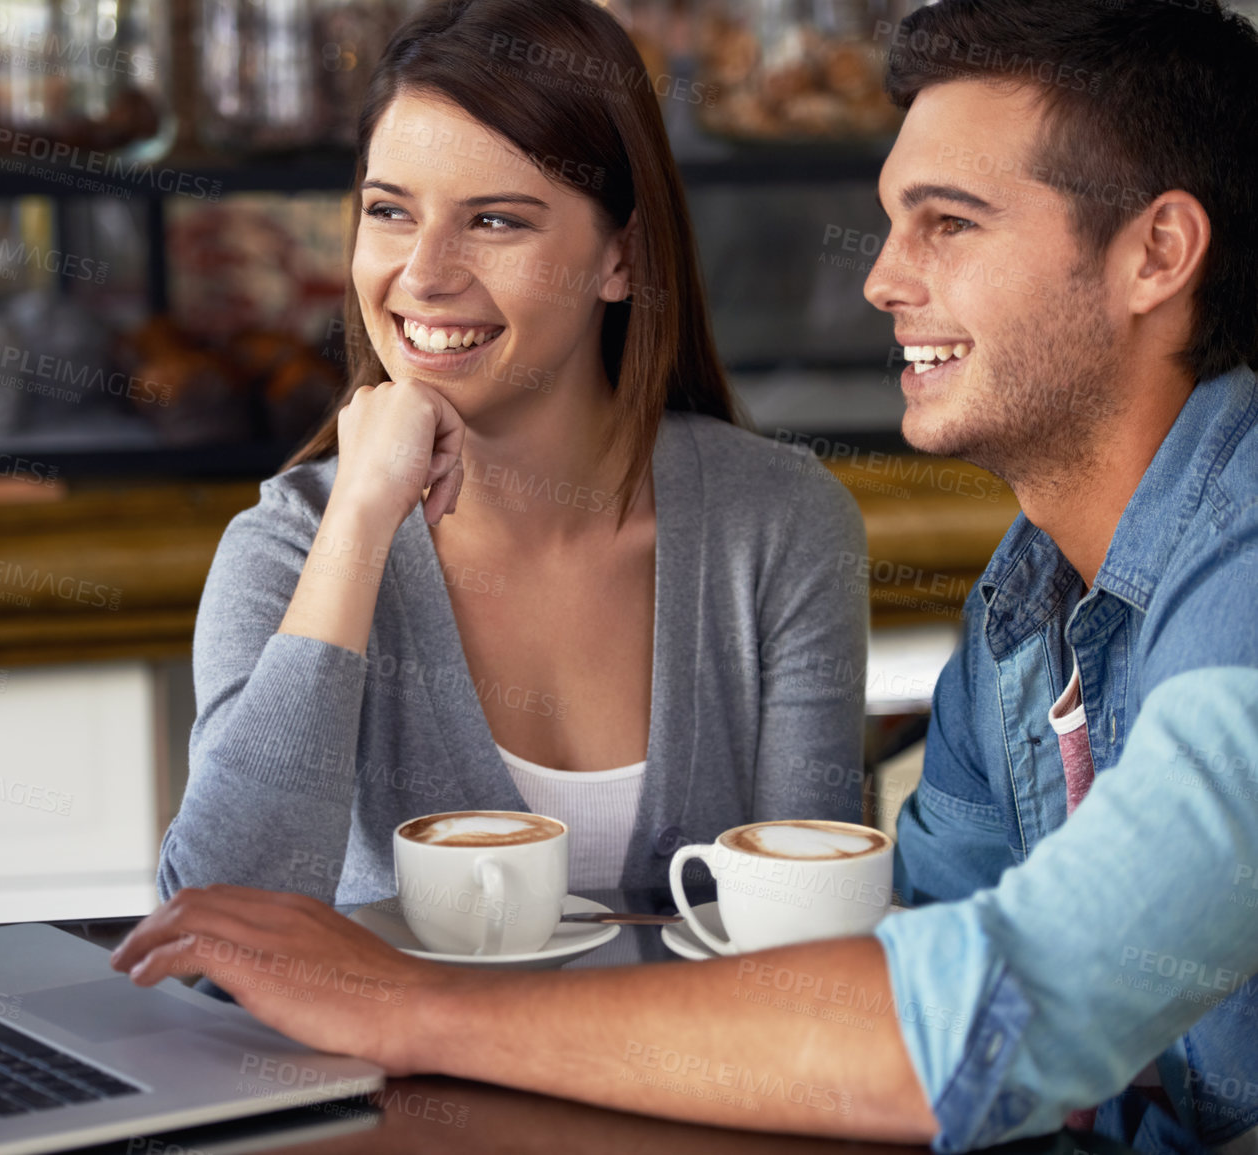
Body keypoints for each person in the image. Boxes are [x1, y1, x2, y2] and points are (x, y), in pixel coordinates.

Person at [116, 1, 1258, 1153]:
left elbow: (957, 1020)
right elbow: (895, 984)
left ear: (1157, 253)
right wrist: (359, 519)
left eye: (949, 224)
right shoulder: (1028, 614)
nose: (881, 281)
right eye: (387, 213)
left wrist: (407, 1006)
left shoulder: (1240, 571)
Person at [156, 0, 868, 905]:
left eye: (494, 221)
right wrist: (361, 523)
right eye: (388, 211)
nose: (422, 274)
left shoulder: (777, 524)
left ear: (622, 259)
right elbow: (216, 926)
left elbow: (809, 935)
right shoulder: (291, 547)